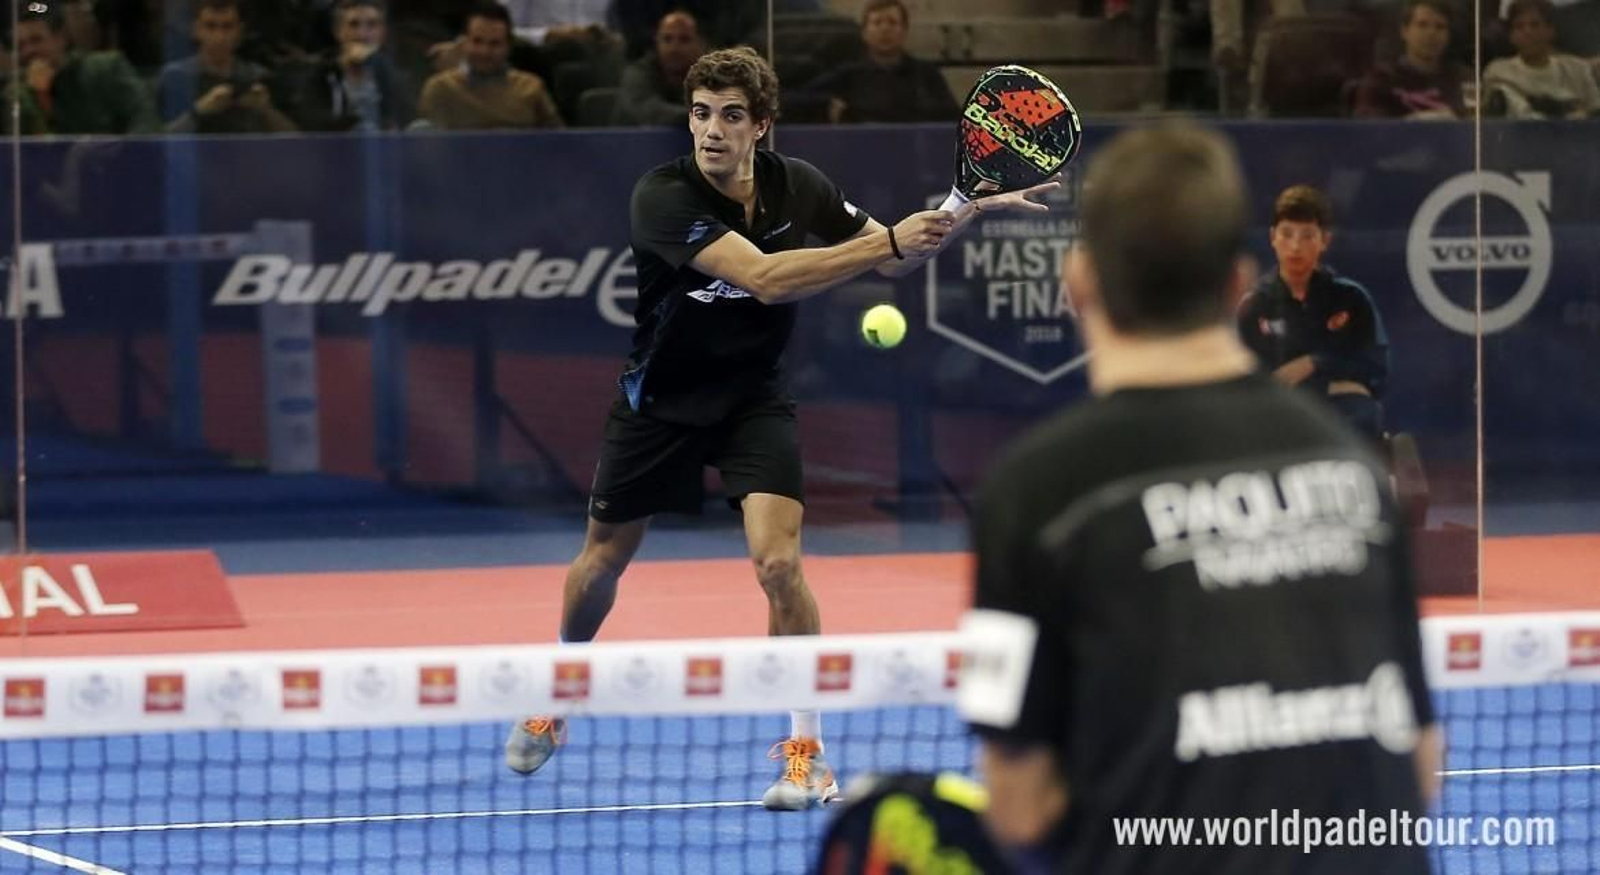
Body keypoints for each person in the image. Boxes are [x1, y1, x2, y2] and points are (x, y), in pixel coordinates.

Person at [504, 45, 1057, 811]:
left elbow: (892, 265)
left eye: (732, 116)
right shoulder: (662, 195)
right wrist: (889, 239)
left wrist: (959, 208)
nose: (712, 131)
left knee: (778, 566)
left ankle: (808, 753)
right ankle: (560, 687)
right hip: (657, 402)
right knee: (601, 561)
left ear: (762, 125)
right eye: (700, 114)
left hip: (752, 400)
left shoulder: (802, 186)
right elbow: (766, 279)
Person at [960, 123, 1441, 872]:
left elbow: (1021, 805)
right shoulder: (1352, 464)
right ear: (1236, 282)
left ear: (1078, 282)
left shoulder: (1037, 492)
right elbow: (1417, 764)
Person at [1237, 185, 1390, 444]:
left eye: (1307, 236)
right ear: (1273, 237)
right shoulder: (1254, 305)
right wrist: (1331, 383)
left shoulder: (1351, 298)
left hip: (1340, 409)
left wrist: (1314, 363)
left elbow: (1374, 368)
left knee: (1364, 412)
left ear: (1324, 241)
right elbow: (1247, 379)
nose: (1295, 246)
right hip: (1276, 410)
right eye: (1287, 234)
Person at [7, 2, 159, 135]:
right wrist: (41, 97)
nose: (28, 51)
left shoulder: (106, 69)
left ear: (60, 38)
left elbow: (146, 118)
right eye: (20, 46)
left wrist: (119, 149)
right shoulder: (19, 93)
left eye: (36, 40)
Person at [802, 0, 957, 124]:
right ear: (864, 32)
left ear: (904, 30)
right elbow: (798, 99)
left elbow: (952, 117)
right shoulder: (848, 75)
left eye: (892, 22)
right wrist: (828, 107)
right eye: (877, 23)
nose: (885, 29)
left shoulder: (926, 74)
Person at [159, 0, 297, 134]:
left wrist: (266, 110)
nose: (219, 37)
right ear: (196, 30)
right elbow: (156, 141)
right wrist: (198, 112)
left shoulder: (259, 76)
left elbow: (298, 141)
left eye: (227, 26)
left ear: (239, 32)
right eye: (210, 26)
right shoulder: (175, 77)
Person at [417, 3, 562, 130]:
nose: (484, 51)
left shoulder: (531, 88)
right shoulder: (440, 89)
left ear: (508, 46)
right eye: (477, 41)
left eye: (494, 44)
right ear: (464, 42)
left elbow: (559, 144)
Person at [289, 0, 414, 132]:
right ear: (338, 32)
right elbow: (312, 126)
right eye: (353, 25)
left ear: (383, 33)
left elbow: (408, 123)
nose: (362, 35)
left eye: (372, 25)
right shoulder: (320, 75)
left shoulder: (393, 75)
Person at [1483, 0, 1600, 119]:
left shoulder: (1577, 69)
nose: (1527, 32)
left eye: (1535, 25)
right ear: (1511, 36)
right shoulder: (1498, 72)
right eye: (1519, 26)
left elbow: (1596, 112)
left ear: (1550, 31)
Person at [1352, 0, 1467, 119]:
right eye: (1422, 25)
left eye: (1440, 27)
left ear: (1448, 35)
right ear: (1404, 31)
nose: (1431, 33)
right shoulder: (1381, 79)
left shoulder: (1460, 78)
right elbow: (1368, 129)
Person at [610, 9, 705, 126]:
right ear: (657, 43)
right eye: (667, 39)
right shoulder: (638, 73)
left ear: (700, 44)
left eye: (684, 39)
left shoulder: (709, 74)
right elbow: (648, 111)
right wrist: (702, 117)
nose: (674, 48)